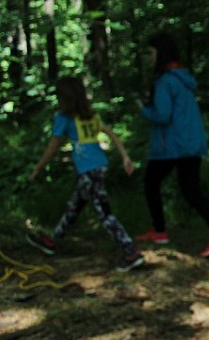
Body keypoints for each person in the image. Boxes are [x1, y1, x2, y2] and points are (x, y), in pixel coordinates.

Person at [26, 77, 145, 272]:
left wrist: (38, 168)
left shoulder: (63, 118)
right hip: (98, 167)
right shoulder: (89, 115)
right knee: (75, 206)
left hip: (90, 171)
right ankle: (54, 240)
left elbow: (53, 146)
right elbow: (111, 133)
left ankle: (130, 251)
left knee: (104, 213)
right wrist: (124, 157)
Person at [136, 32, 209, 257]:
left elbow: (162, 115)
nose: (149, 58)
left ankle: (161, 232)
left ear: (160, 53)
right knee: (191, 191)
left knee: (152, 183)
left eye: (151, 53)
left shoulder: (165, 80)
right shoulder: (182, 77)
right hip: (190, 143)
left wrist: (142, 108)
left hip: (173, 146)